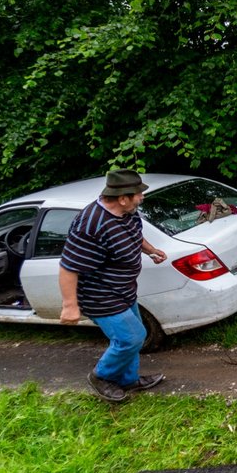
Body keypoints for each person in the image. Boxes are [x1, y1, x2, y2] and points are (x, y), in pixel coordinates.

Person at [59, 169, 169, 403]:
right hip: (100, 295)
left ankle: (128, 380)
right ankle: (101, 376)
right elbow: (69, 266)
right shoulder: (91, 225)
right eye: (138, 194)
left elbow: (134, 235)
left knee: (133, 336)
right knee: (131, 338)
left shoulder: (127, 213)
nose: (142, 197)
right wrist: (70, 306)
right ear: (122, 197)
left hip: (124, 290)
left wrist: (150, 251)